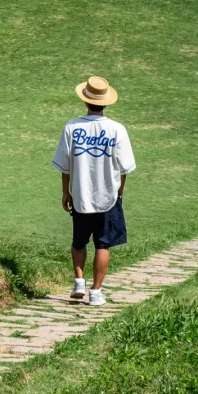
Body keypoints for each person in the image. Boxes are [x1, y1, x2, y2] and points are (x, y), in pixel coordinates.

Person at [51, 75, 136, 306]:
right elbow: (125, 167)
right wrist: (120, 190)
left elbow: (64, 165)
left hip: (80, 194)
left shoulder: (72, 127)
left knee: (78, 241)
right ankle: (96, 292)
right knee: (103, 243)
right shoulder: (117, 129)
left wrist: (65, 191)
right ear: (105, 102)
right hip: (108, 195)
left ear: (85, 100)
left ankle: (79, 281)